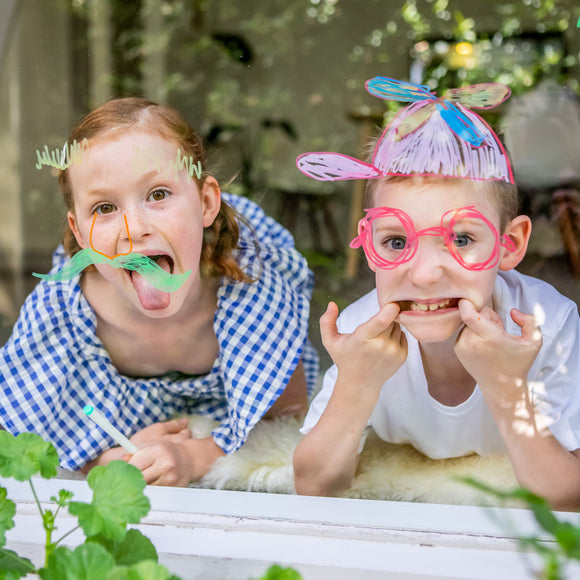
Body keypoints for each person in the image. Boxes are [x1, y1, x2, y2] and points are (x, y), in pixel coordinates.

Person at [293, 77, 580, 510]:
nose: (425, 275)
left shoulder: (549, 324)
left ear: (509, 244)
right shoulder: (361, 334)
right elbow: (315, 485)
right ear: (368, 245)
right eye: (394, 242)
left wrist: (507, 389)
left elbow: (567, 497)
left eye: (462, 239)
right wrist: (357, 382)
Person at [0, 97, 318, 486]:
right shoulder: (64, 317)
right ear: (80, 233)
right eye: (104, 207)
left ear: (205, 203)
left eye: (157, 194)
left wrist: (194, 456)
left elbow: (288, 418)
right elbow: (26, 436)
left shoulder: (250, 290)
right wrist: (103, 461)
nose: (133, 228)